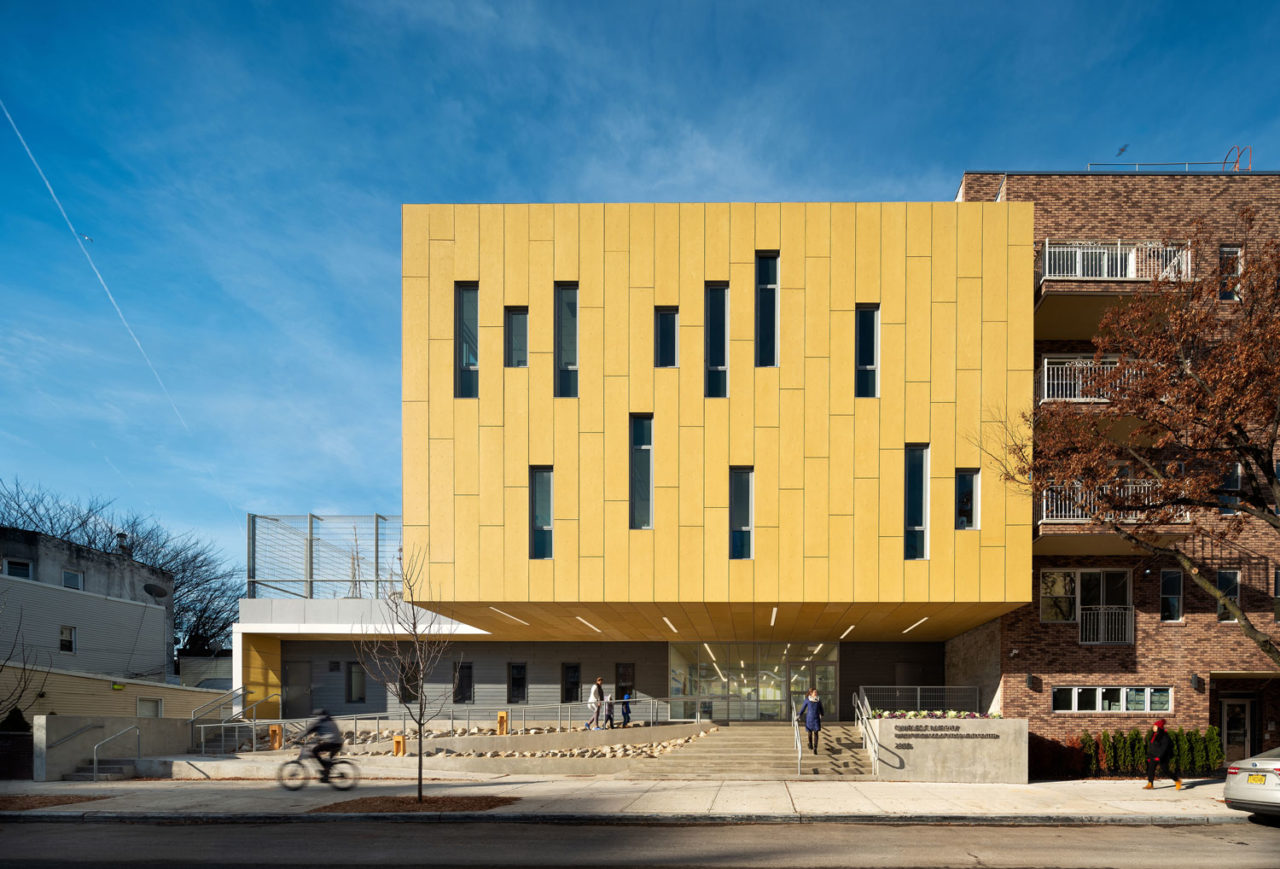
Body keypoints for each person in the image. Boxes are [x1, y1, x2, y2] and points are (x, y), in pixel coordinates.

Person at [302, 708, 344, 782]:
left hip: (331, 743)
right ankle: (326, 775)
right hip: (339, 743)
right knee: (328, 761)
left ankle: (325, 772)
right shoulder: (330, 720)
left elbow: (308, 731)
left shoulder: (319, 720)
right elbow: (326, 733)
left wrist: (297, 738)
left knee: (314, 751)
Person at [1144, 718, 1182, 790]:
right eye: (1153, 726)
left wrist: (1159, 756)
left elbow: (1164, 748)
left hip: (1162, 756)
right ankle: (1150, 784)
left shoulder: (1164, 736)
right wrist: (1149, 756)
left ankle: (1177, 780)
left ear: (1159, 728)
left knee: (1165, 770)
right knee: (1150, 770)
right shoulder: (1154, 735)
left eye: (1155, 726)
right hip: (1153, 755)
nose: (1153, 727)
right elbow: (1151, 746)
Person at [799, 688, 824, 754]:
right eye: (815, 692)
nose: (816, 693)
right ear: (811, 693)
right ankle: (810, 744)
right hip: (809, 719)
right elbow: (803, 708)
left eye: (816, 692)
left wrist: (822, 714)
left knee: (816, 733)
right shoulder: (807, 700)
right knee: (809, 733)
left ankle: (815, 748)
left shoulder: (818, 700)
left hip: (816, 719)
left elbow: (821, 708)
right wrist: (799, 715)